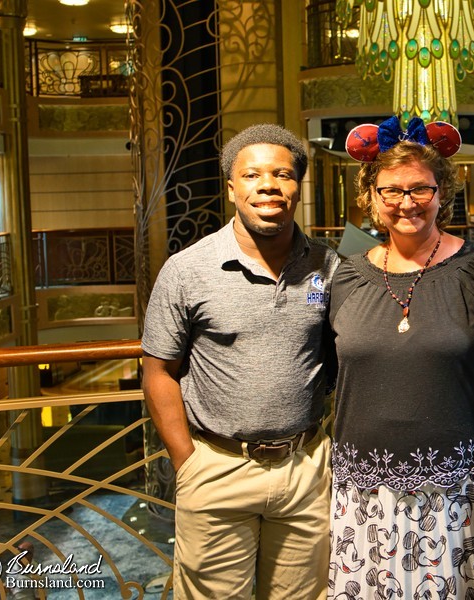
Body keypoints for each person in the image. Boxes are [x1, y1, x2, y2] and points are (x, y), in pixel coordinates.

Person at [141, 123, 339, 600]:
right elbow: (158, 371)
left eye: (283, 174)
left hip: (306, 468)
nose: (268, 184)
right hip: (216, 467)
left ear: (297, 187)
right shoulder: (187, 269)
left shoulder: (328, 265)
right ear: (232, 188)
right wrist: (187, 462)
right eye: (252, 175)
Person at [328, 116, 474, 599]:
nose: (405, 202)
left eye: (420, 189)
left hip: (462, 485)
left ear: (441, 193)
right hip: (366, 488)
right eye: (391, 191)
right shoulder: (345, 277)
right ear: (370, 197)